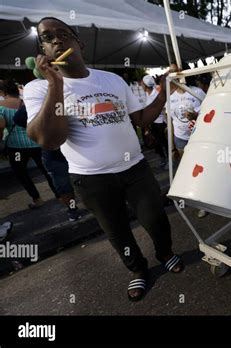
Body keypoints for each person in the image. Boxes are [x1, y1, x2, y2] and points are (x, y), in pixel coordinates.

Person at [24, 17, 183, 302]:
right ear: (42, 49)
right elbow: (49, 140)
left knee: (156, 218)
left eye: (64, 34)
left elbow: (142, 120)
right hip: (90, 178)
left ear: (79, 42)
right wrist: (55, 85)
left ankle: (165, 252)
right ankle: (137, 270)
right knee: (117, 231)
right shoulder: (39, 89)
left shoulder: (112, 79)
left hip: (135, 169)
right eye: (48, 37)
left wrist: (164, 91)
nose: (57, 40)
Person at [13, 103, 82, 222]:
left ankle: (74, 210)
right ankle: (73, 210)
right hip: (61, 150)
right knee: (65, 182)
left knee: (66, 182)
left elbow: (19, 118)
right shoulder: (40, 96)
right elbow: (19, 118)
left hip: (64, 149)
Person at [0, 79, 58, 209]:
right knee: (46, 170)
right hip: (36, 142)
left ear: (3, 92)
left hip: (17, 148)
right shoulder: (25, 103)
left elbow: (2, 125)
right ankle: (59, 194)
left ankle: (37, 199)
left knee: (22, 173)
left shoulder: (1, 106)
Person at [168, 64, 209, 218]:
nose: (173, 74)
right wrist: (172, 146)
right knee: (187, 171)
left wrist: (196, 116)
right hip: (180, 140)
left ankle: (204, 202)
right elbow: (171, 123)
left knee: (201, 169)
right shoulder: (170, 97)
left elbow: (210, 111)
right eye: (170, 72)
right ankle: (194, 198)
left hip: (198, 137)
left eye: (175, 71)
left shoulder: (197, 92)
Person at [141, 75, 168, 168]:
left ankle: (168, 160)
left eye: (142, 83)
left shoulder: (156, 94)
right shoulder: (147, 94)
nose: (141, 85)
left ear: (145, 85)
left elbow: (163, 108)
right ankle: (163, 158)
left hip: (160, 123)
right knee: (157, 143)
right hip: (153, 123)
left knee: (164, 142)